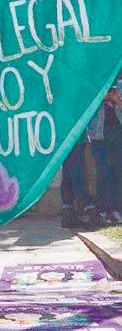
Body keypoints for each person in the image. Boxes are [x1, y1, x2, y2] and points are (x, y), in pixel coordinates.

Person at [87, 79, 122, 226]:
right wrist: (100, 98)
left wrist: (117, 100)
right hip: (98, 134)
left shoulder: (119, 85)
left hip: (117, 132)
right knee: (103, 172)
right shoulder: (93, 81)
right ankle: (104, 210)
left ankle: (116, 209)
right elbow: (84, 107)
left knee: (118, 171)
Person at [60, 134, 99, 228]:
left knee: (68, 175)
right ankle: (89, 210)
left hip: (63, 139)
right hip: (75, 138)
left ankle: (68, 213)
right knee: (77, 174)